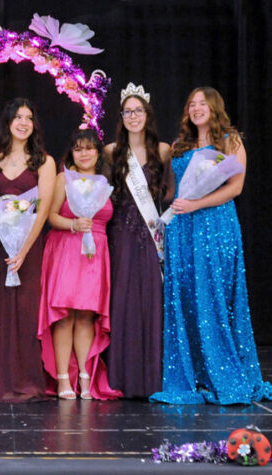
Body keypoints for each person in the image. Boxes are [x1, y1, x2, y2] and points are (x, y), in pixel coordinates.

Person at [150, 87, 272, 404]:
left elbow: (236, 187)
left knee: (215, 295)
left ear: (215, 108)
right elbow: (172, 191)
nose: (196, 108)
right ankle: (196, 375)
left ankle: (221, 371)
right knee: (188, 296)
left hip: (216, 225)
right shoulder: (180, 146)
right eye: (192, 104)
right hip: (183, 229)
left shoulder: (230, 140)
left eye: (203, 103)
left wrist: (198, 203)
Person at [0, 97, 56, 402]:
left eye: (29, 117)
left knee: (25, 310)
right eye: (18, 117)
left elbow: (44, 208)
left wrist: (24, 249)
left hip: (29, 246)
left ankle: (26, 381)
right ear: (8, 123)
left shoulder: (44, 161)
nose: (23, 122)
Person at [38, 129, 122, 400]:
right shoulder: (64, 178)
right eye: (78, 148)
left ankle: (85, 376)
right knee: (65, 315)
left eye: (89, 148)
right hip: (66, 248)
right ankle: (63, 377)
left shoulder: (106, 180)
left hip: (96, 253)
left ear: (99, 152)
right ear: (71, 153)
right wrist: (73, 224)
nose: (84, 153)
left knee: (86, 315)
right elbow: (50, 216)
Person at [105, 82, 171, 398]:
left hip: (151, 233)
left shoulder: (163, 150)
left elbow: (171, 194)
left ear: (147, 114)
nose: (133, 116)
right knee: (122, 301)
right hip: (119, 235)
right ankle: (122, 377)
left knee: (151, 300)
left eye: (138, 111)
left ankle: (152, 379)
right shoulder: (110, 152)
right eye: (128, 111)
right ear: (121, 116)